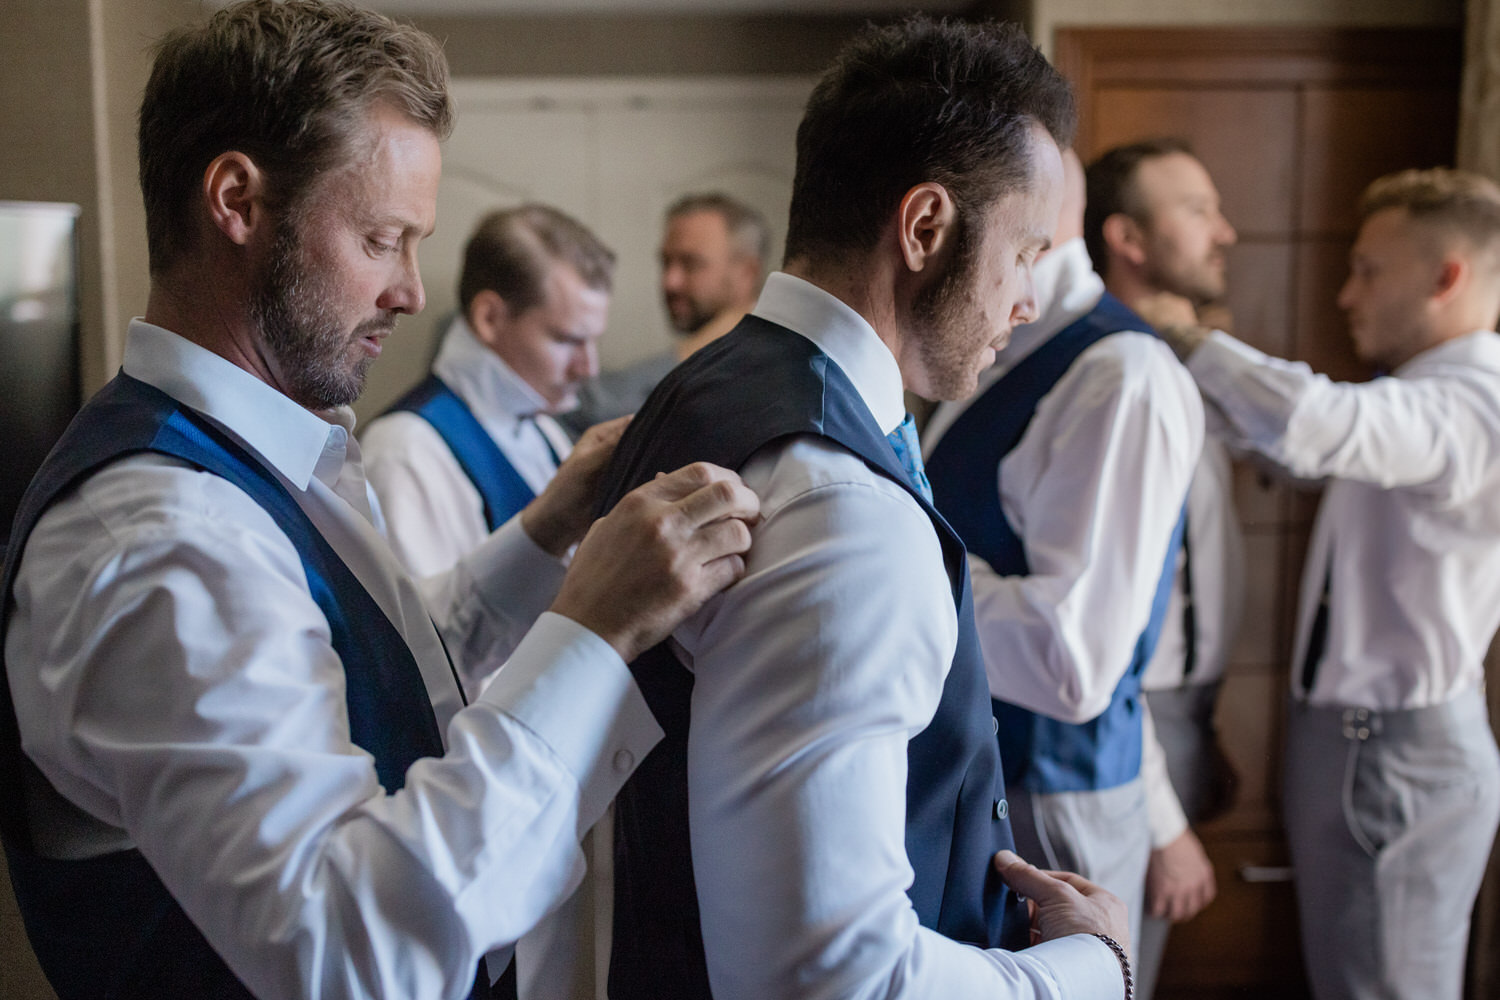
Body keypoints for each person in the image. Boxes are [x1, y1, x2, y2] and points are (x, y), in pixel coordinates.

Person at [0, 3, 760, 999]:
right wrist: (592, 632)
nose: (410, 289)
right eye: (382, 238)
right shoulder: (164, 541)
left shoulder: (260, 461)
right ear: (236, 199)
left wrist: (545, 532)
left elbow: (366, 685)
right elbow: (348, 951)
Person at [597, 17, 1132, 1000]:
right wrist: (1086, 969)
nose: (1026, 299)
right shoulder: (840, 503)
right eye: (1025, 252)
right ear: (926, 227)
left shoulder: (708, 385)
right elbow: (829, 973)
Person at [1143, 167, 1500, 1000]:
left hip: (1392, 755)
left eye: (1369, 270)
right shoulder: (1420, 400)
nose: (1346, 295)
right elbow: (1292, 449)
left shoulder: (1474, 406)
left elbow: (1317, 427)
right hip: (1362, 746)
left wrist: (1188, 339)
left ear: (1448, 277)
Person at [922, 145, 1203, 958]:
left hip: (1057, 798)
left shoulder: (1118, 374)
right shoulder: (991, 346)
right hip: (986, 778)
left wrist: (908, 561)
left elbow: (1070, 660)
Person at [1084, 138, 1246, 996]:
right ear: (1129, 240)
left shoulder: (1198, 364)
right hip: (1128, 730)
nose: (1225, 231)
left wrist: (1204, 721)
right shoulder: (1111, 382)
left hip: (1181, 718)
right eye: (1196, 209)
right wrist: (1161, 816)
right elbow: (1103, 636)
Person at [362, 204, 618, 577]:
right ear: (489, 318)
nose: (589, 368)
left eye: (593, 341)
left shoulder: (543, 429)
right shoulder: (404, 455)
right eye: (567, 340)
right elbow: (430, 632)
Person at [558, 192, 768, 435]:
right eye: (666, 262)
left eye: (691, 264)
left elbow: (599, 414)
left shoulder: (759, 376)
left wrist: (691, 354)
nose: (670, 282)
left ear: (747, 273)